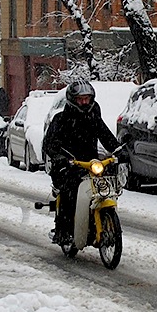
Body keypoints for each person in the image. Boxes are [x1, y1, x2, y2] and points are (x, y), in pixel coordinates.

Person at [42, 80, 120, 244]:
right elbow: (49, 144)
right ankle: (63, 231)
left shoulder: (93, 117)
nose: (85, 102)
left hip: (90, 163)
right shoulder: (61, 119)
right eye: (81, 99)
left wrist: (119, 150)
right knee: (69, 191)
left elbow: (106, 136)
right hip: (67, 165)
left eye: (87, 98)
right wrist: (60, 159)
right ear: (72, 99)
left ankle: (102, 221)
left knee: (105, 185)